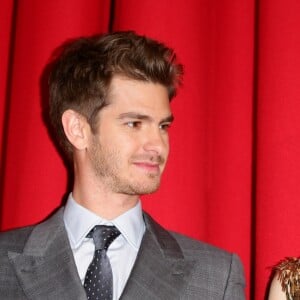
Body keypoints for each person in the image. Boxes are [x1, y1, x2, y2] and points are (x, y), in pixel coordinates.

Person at [0, 31, 245, 299]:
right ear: (78, 129)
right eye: (134, 123)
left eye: (163, 126)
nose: (157, 145)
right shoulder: (4, 264)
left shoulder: (216, 278)